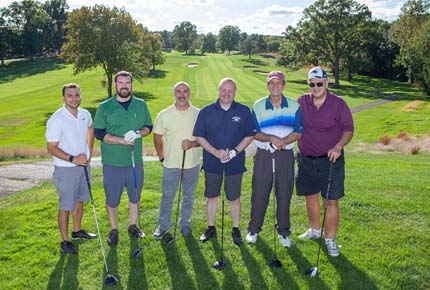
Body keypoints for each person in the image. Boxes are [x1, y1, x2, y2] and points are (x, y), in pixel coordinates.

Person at [296, 66, 354, 257]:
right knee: (310, 197)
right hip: (306, 159)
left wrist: (338, 146)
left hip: (331, 160)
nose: (315, 87)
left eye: (319, 83)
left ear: (326, 83)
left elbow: (348, 129)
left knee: (331, 201)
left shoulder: (338, 104)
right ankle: (315, 231)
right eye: (311, 84)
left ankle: (330, 239)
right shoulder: (301, 102)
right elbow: (290, 124)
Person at [93, 71, 153, 246]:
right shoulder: (105, 107)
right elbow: (99, 133)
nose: (124, 85)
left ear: (132, 85)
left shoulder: (141, 105)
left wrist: (137, 133)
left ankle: (133, 225)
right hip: (113, 163)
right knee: (112, 198)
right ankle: (114, 230)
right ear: (115, 84)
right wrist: (121, 140)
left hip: (135, 163)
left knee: (135, 196)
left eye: (128, 82)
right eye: (121, 82)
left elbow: (148, 126)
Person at [193, 77, 254, 246]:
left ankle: (235, 228)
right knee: (212, 196)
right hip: (212, 162)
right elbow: (199, 135)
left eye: (230, 90)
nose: (226, 93)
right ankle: (211, 227)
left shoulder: (243, 111)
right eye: (224, 90)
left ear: (234, 92)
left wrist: (234, 152)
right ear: (219, 91)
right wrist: (215, 152)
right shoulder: (206, 111)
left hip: (235, 163)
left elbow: (250, 135)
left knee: (234, 198)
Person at [246, 71, 303, 248]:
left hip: (285, 156)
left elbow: (299, 131)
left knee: (284, 194)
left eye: (279, 83)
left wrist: (282, 142)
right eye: (272, 83)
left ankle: (284, 231)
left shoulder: (294, 106)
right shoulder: (258, 106)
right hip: (263, 155)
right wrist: (271, 139)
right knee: (259, 193)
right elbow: (254, 132)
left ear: (284, 85)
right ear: (268, 85)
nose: (275, 86)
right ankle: (254, 229)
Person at [46, 83, 96, 255]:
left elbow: (90, 128)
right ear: (63, 98)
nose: (74, 98)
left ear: (80, 96)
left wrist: (89, 152)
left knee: (80, 199)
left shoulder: (85, 114)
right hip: (66, 169)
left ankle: (77, 231)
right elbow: (51, 147)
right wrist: (72, 158)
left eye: (76, 95)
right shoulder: (57, 119)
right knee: (66, 205)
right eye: (70, 95)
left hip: (83, 166)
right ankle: (65, 241)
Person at [152, 81, 200, 239]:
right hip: (171, 163)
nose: (182, 94)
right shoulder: (164, 114)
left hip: (192, 163)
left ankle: (185, 223)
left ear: (189, 93)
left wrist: (193, 143)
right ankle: (163, 225)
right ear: (174, 94)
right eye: (178, 91)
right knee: (167, 196)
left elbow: (206, 138)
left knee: (188, 196)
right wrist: (161, 156)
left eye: (185, 91)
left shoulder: (198, 114)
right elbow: (157, 136)